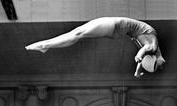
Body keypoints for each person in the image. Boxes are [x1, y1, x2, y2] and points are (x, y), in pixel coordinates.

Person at [25, 17, 166, 78]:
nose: (161, 66)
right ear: (152, 58)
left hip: (114, 26)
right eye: (158, 66)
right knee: (77, 32)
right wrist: (138, 58)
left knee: (78, 33)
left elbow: (144, 57)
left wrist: (138, 69)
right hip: (114, 26)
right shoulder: (152, 46)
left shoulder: (154, 49)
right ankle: (46, 45)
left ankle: (46, 45)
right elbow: (144, 52)